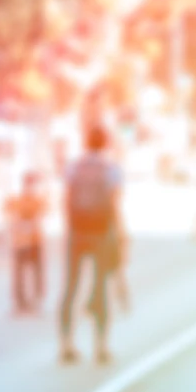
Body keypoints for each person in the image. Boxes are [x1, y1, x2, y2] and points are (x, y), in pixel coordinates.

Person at [59, 124, 122, 366]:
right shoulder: (111, 170)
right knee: (100, 289)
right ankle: (101, 346)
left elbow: (65, 200)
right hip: (101, 232)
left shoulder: (74, 167)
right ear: (105, 144)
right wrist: (117, 235)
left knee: (71, 288)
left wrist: (72, 228)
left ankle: (66, 343)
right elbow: (115, 204)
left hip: (77, 233)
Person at [4, 171, 46, 313]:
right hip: (24, 241)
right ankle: (22, 300)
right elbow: (8, 213)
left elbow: (42, 212)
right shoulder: (22, 199)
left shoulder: (32, 199)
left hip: (30, 241)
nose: (30, 187)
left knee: (31, 272)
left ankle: (32, 299)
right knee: (23, 273)